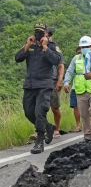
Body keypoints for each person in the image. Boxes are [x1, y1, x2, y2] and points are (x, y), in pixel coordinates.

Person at [15, 21, 62, 154]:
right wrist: (27, 44)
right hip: (30, 85)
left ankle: (39, 141)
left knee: (40, 112)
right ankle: (48, 126)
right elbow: (17, 58)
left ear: (46, 32)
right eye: (36, 31)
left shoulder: (51, 45)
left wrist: (45, 47)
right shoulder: (30, 45)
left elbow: (57, 60)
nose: (38, 33)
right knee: (29, 112)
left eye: (40, 31)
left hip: (44, 85)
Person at [64, 36, 91, 140]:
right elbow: (70, 71)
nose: (84, 48)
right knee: (84, 114)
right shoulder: (76, 58)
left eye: (86, 46)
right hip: (80, 90)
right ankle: (88, 135)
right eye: (82, 47)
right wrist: (66, 83)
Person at [45, 27, 65, 138]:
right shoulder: (37, 45)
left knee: (55, 107)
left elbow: (61, 65)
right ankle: (40, 130)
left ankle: (56, 129)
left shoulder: (54, 47)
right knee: (40, 107)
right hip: (41, 81)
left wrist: (60, 80)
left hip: (53, 81)